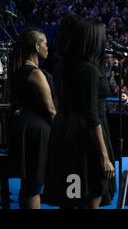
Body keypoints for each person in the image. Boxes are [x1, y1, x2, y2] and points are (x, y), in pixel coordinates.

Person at [44, 19, 116, 208]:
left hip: (63, 131)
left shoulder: (61, 65)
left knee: (70, 193)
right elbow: (92, 116)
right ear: (94, 40)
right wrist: (104, 156)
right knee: (92, 189)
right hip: (86, 137)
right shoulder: (90, 70)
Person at [8, 27, 57, 209]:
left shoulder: (20, 70)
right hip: (37, 132)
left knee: (28, 185)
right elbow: (51, 109)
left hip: (25, 128)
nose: (47, 47)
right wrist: (61, 134)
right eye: (44, 43)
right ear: (37, 46)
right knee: (33, 186)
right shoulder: (35, 73)